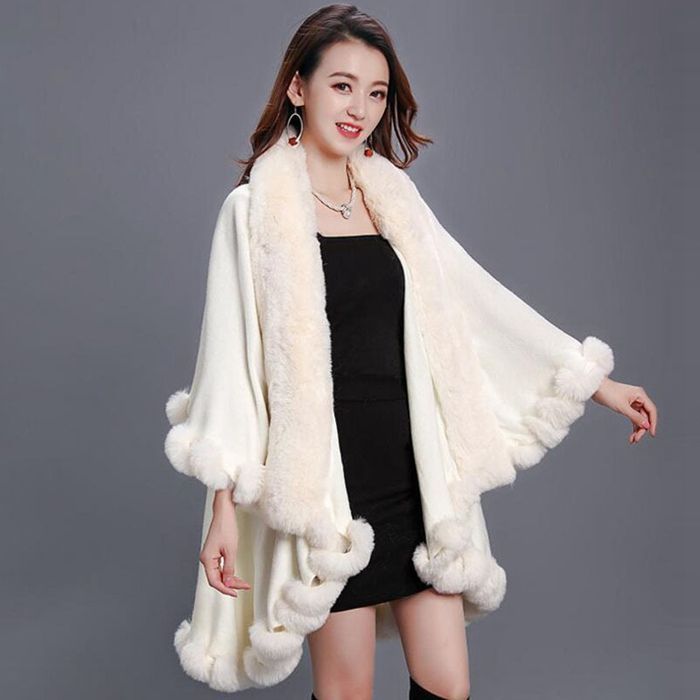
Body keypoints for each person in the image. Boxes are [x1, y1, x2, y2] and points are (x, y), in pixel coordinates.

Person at [163, 5, 658, 698]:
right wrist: (222, 508)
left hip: (413, 476)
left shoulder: (392, 198)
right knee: (348, 690)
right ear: (298, 88)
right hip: (331, 490)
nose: (359, 109)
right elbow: (230, 368)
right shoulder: (252, 212)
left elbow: (474, 299)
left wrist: (595, 382)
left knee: (447, 684)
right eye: (342, 86)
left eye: (376, 93)